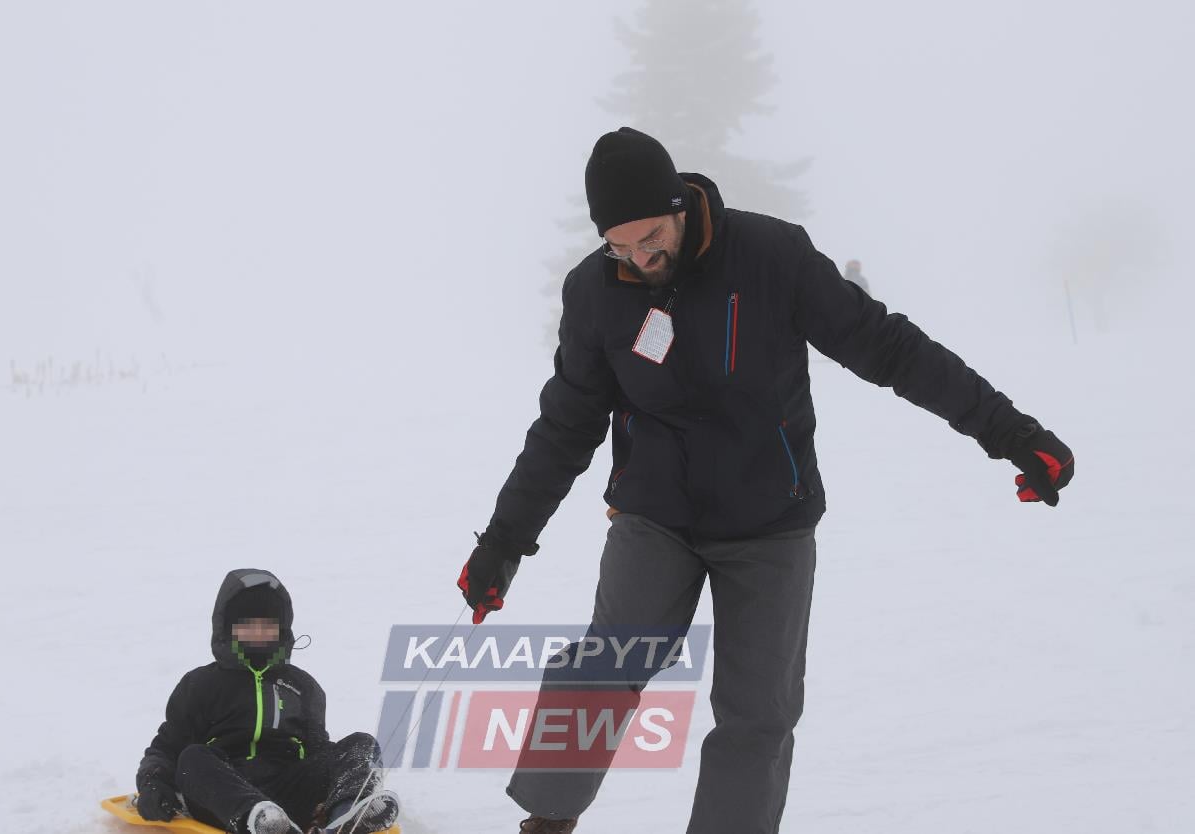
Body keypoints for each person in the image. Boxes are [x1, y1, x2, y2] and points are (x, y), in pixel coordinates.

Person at [455, 127, 1074, 834]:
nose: (638, 258)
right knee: (602, 667)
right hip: (654, 513)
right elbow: (564, 426)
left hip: (768, 521)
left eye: (650, 236)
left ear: (678, 206)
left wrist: (1009, 432)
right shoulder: (596, 292)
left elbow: (889, 348)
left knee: (758, 714)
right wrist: (503, 542)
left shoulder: (770, 256)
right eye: (618, 246)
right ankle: (547, 821)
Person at [135, 569, 400, 834]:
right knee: (193, 757)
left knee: (360, 745)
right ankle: (261, 821)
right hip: (224, 799)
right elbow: (167, 747)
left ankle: (344, 818)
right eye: (247, 624)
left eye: (267, 624)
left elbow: (317, 751)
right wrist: (153, 784)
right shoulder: (201, 684)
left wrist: (337, 775)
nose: (258, 632)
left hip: (288, 794)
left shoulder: (303, 687)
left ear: (280, 628)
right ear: (228, 628)